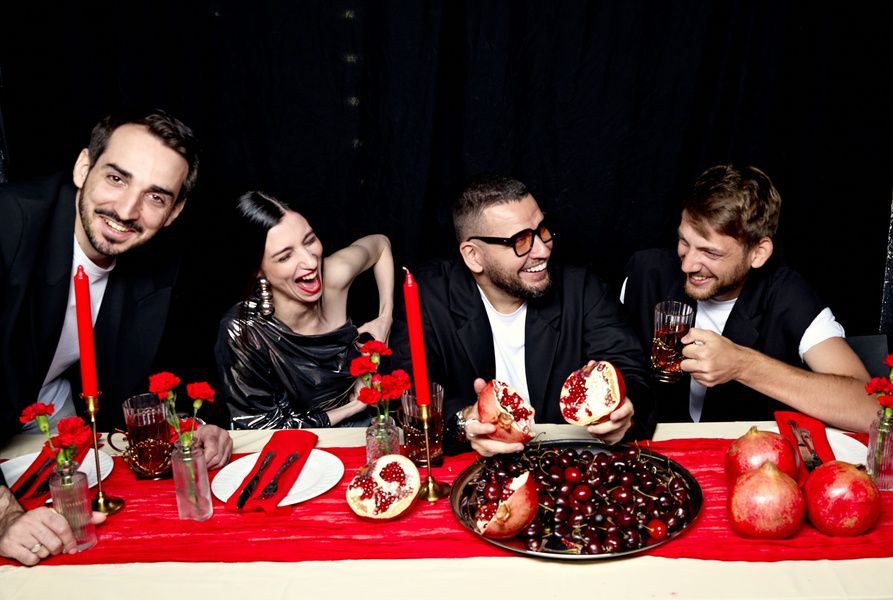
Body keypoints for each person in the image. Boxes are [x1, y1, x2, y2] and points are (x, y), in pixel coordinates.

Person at [0, 109, 232, 565]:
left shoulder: (158, 260)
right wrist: (5, 516)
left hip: (45, 417)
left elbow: (170, 364)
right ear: (82, 168)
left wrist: (195, 424)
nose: (126, 211)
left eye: (155, 197)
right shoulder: (8, 225)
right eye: (117, 178)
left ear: (174, 212)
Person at [391, 174, 653, 456]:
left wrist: (626, 411)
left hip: (565, 459)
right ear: (473, 256)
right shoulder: (428, 298)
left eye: (542, 229)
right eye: (521, 240)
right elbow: (406, 394)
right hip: (473, 465)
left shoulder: (583, 289)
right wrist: (463, 422)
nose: (542, 250)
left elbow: (631, 371)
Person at [622, 164, 874, 431]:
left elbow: (869, 411)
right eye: (684, 242)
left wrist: (743, 365)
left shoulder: (787, 294)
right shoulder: (645, 273)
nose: (687, 265)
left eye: (711, 253)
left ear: (758, 253)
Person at [215, 191, 394, 429]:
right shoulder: (243, 331)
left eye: (309, 240)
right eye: (285, 257)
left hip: (361, 430)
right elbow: (263, 428)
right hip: (290, 443)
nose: (311, 262)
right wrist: (355, 406)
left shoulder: (335, 275)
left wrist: (385, 317)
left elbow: (381, 244)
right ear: (258, 270)